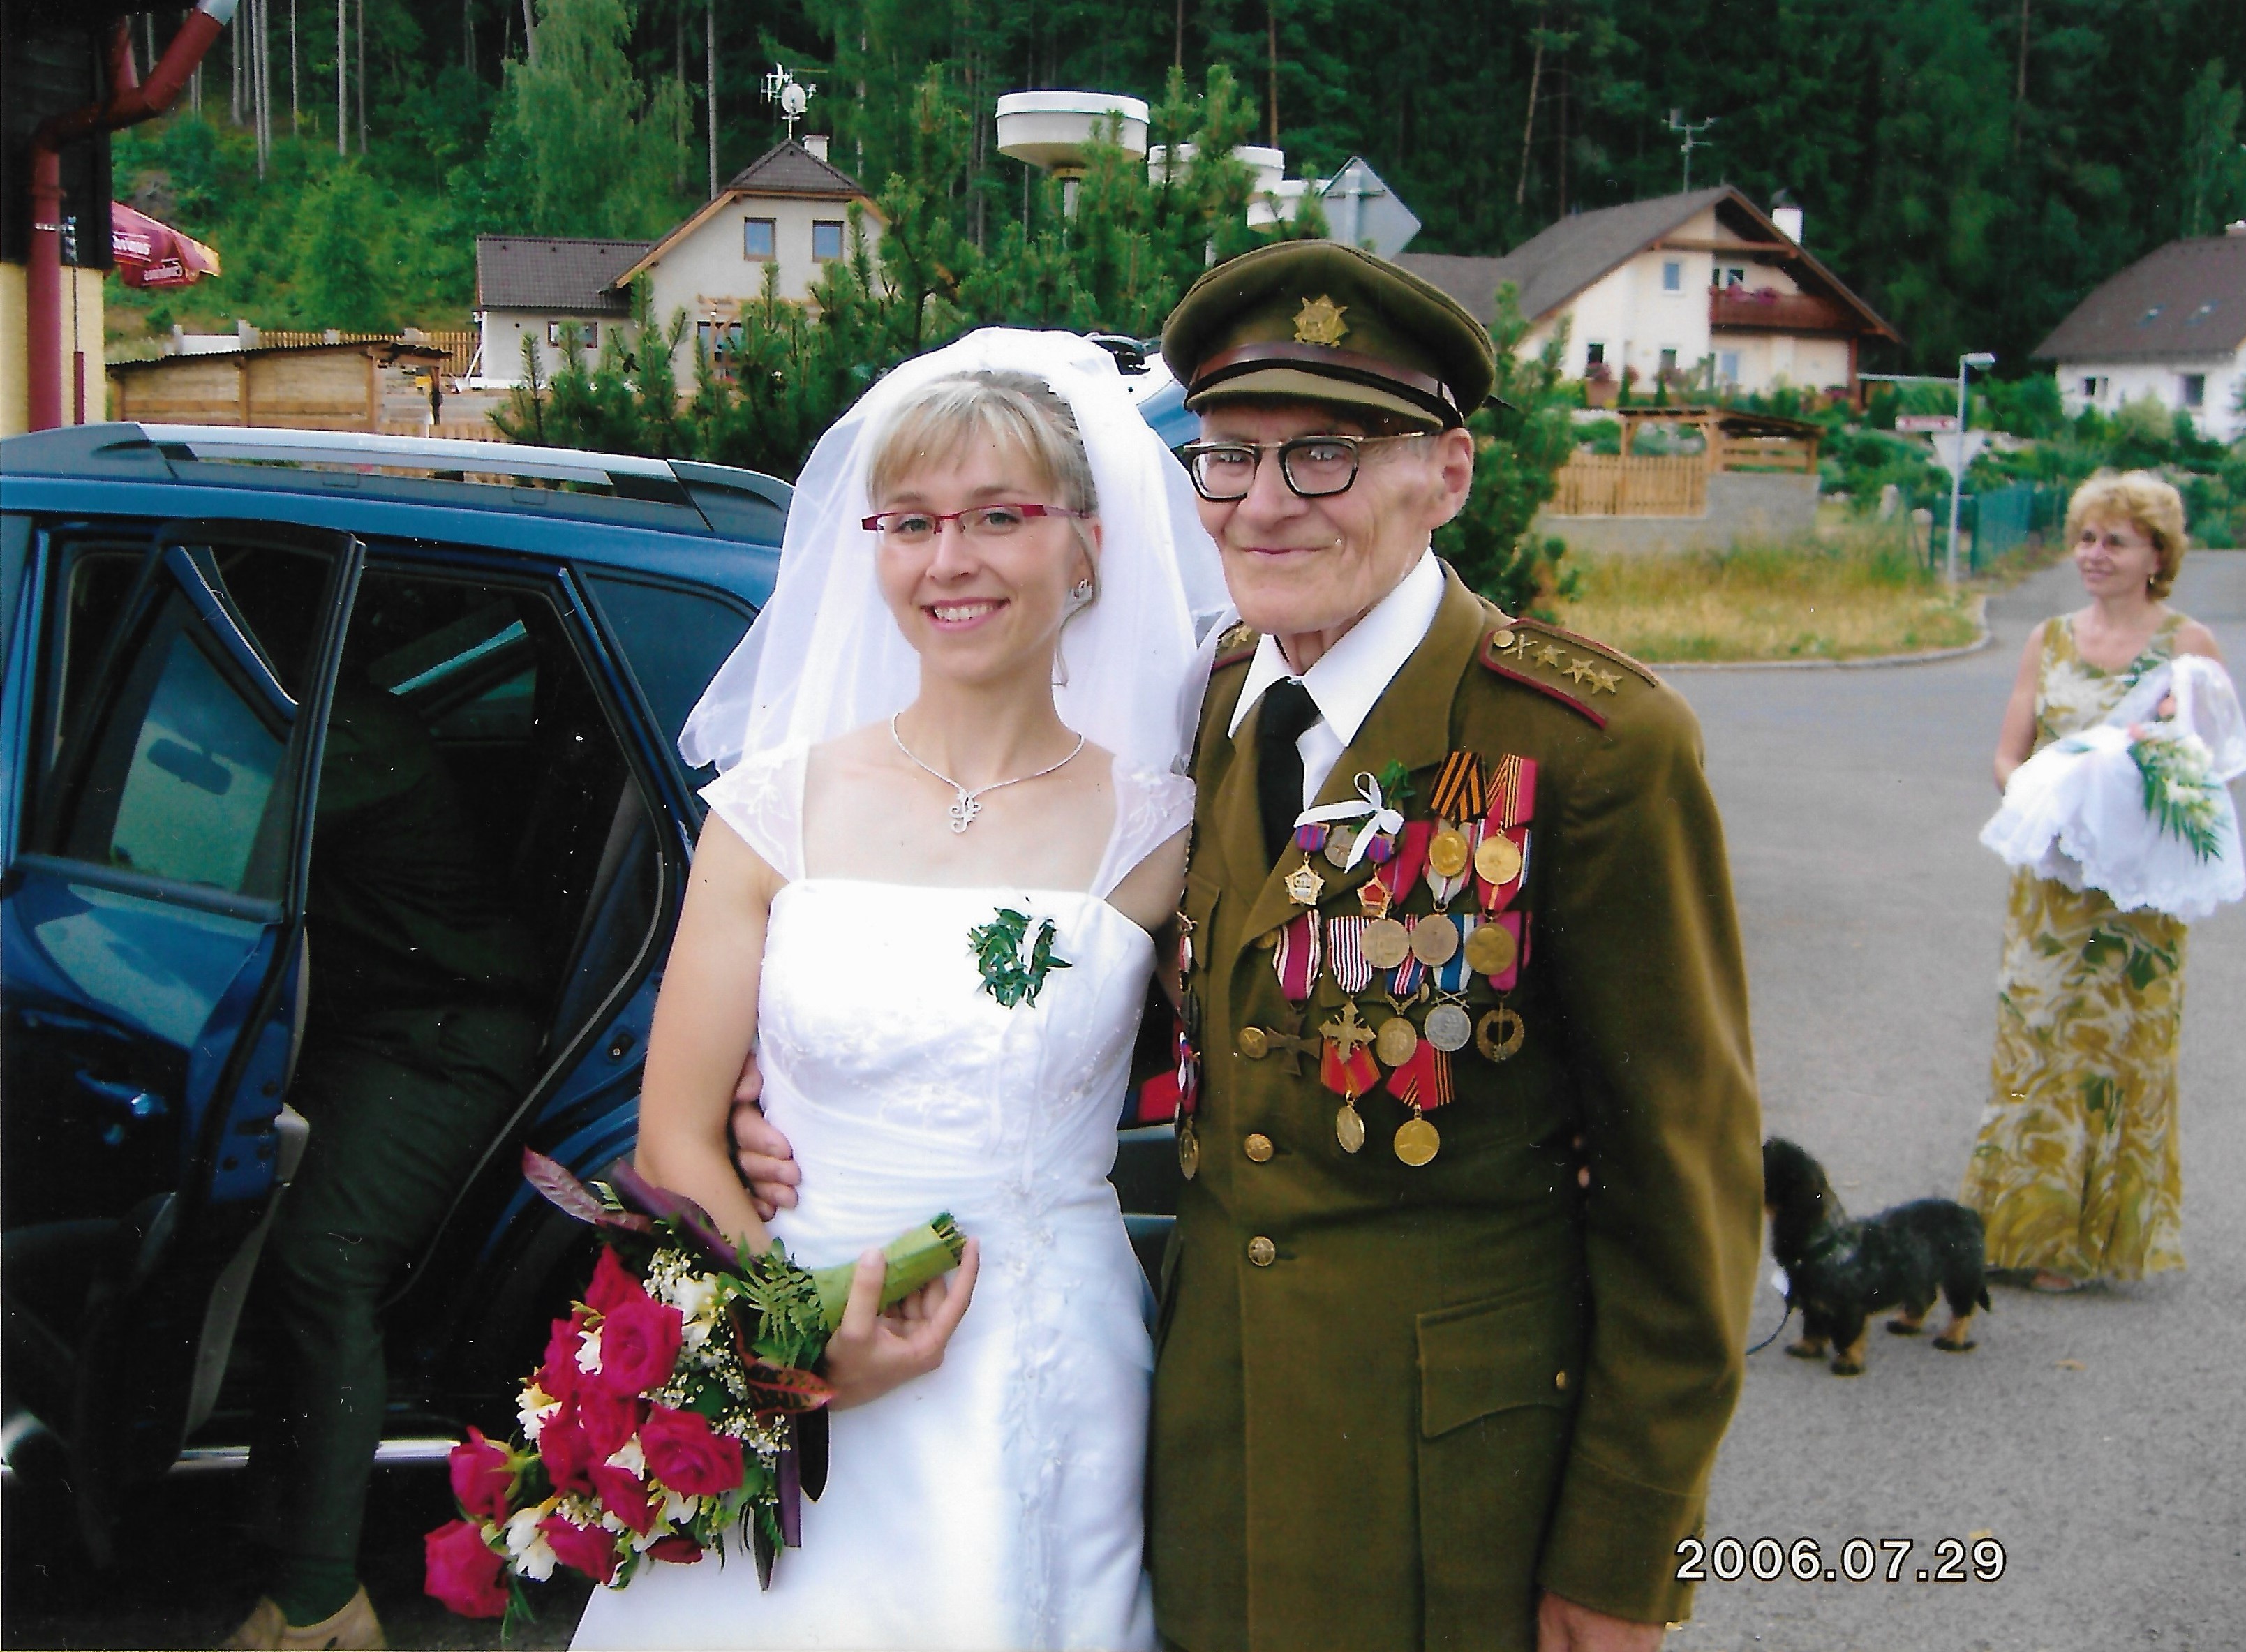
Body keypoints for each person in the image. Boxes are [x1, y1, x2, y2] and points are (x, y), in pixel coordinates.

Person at [741, 244, 1764, 1651]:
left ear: (1446, 474)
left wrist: (1624, 1555)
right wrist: (802, 1082)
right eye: (1228, 457)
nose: (1265, 504)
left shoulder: (1587, 749)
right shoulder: (1209, 702)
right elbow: (1127, 993)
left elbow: (1682, 1197)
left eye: (1324, 454)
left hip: (1453, 1496)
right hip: (1203, 1460)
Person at [570, 330, 1223, 1651]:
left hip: (1043, 1363)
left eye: (999, 517)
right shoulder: (771, 811)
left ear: (1087, 545)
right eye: (911, 522)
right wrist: (800, 1347)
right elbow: (675, 1134)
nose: (948, 560)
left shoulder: (1161, 830)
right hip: (803, 1330)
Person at [230, 679, 543, 1651]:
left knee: (321, 1261)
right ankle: (272, 1530)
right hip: (368, 1026)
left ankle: (322, 1601)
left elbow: (210, 845)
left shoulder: (348, 729)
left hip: (444, 1034)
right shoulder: (298, 700)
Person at [1964, 470, 2225, 1293]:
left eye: (2114, 541)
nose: (2092, 553)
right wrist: (2038, 800)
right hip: (2050, 887)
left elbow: (2210, 773)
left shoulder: (2187, 646)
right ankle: (2013, 1229)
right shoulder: (2047, 639)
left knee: (2110, 1054)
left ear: (2157, 556)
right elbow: (2007, 754)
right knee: (2033, 1041)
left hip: (2136, 900)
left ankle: (2077, 1244)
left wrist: (2138, 798)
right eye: (2084, 538)